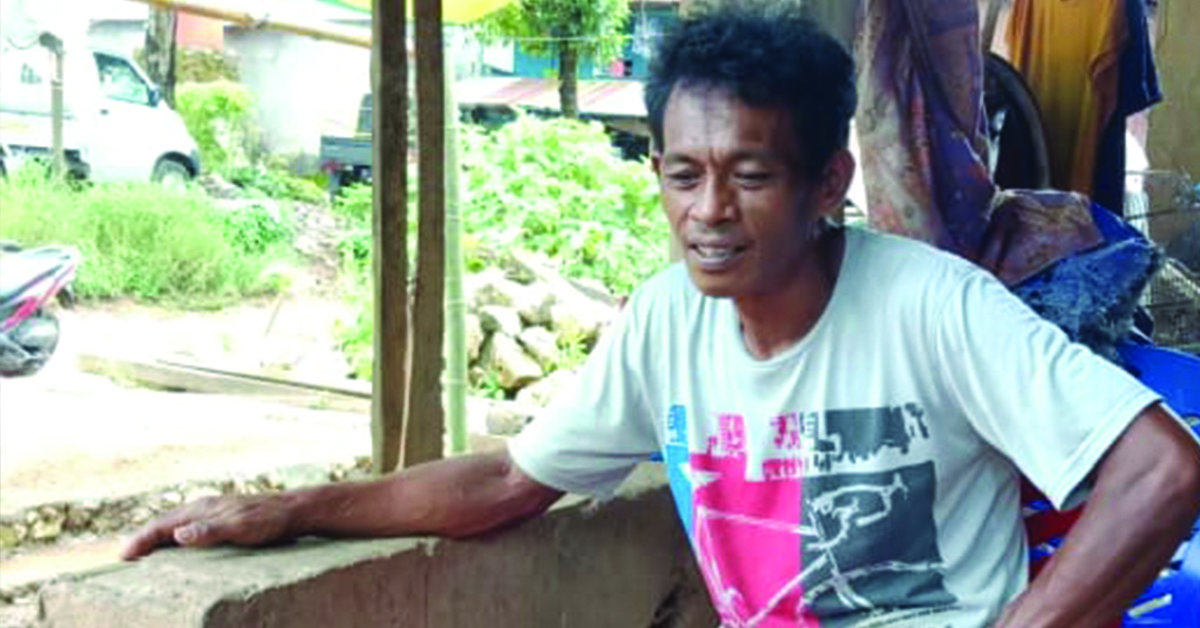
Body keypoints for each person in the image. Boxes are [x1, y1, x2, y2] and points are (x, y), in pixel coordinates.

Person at [123, 5, 1200, 627]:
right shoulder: (664, 323)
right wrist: (301, 505)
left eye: (750, 175)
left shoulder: (935, 305)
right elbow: (508, 479)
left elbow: (1163, 469)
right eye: (682, 174)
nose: (710, 211)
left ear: (829, 181)